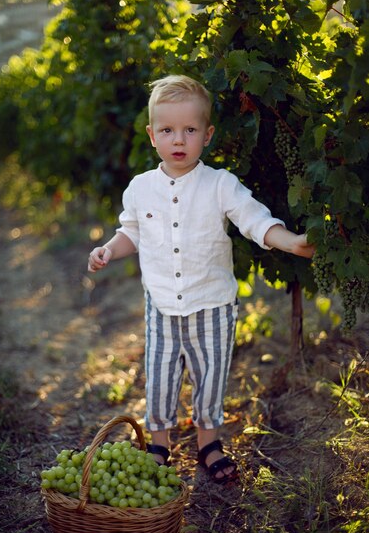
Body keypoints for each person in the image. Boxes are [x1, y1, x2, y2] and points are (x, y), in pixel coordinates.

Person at [88, 74, 314, 484]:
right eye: (168, 130)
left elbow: (254, 219)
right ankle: (159, 441)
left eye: (190, 130)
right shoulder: (140, 189)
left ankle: (209, 442)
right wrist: (108, 249)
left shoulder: (220, 185)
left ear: (207, 135)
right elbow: (131, 233)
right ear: (151, 135)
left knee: (210, 376)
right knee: (159, 376)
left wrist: (292, 242)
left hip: (212, 305)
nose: (179, 139)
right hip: (161, 308)